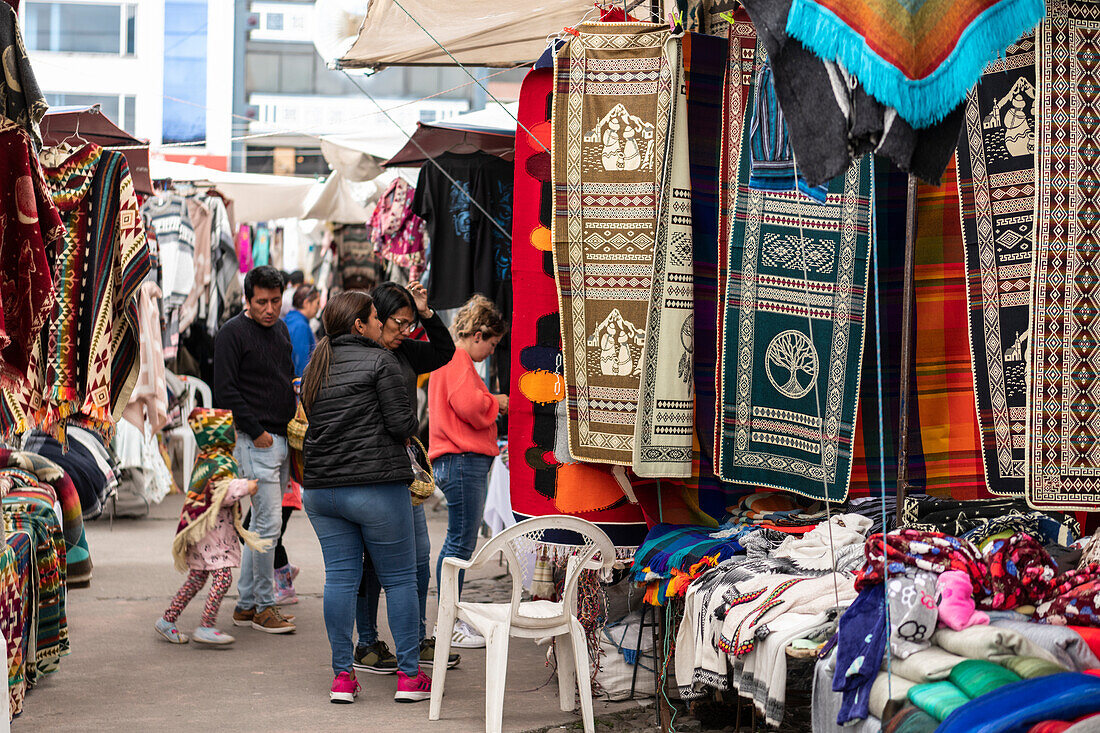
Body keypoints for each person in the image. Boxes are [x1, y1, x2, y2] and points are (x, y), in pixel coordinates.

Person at [300, 290, 432, 704]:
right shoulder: (381, 361)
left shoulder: (315, 365)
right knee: (400, 580)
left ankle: (342, 677)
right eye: (377, 318)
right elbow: (402, 424)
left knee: (340, 579)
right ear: (359, 325)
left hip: (322, 492)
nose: (382, 324)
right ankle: (409, 678)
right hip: (375, 487)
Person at [353, 281, 460, 674]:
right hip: (372, 471)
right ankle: (366, 644)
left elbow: (445, 351)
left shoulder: (406, 351)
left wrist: (427, 314)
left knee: (417, 560)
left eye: (408, 325)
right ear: (376, 319)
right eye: (398, 323)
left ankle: (413, 639)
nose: (403, 332)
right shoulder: (361, 354)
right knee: (373, 565)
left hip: (405, 472)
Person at [214, 265, 297, 634]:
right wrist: (256, 430)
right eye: (261, 301)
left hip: (279, 439)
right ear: (248, 300)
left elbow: (283, 377)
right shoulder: (231, 333)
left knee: (262, 525)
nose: (269, 308)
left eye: (275, 301)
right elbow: (225, 391)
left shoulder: (280, 330)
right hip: (255, 441)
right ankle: (265, 606)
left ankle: (246, 604)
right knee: (268, 526)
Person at [428, 294, 508, 649]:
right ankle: (449, 621)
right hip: (462, 461)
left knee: (456, 543)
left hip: (456, 462)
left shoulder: (452, 359)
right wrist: (496, 401)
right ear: (478, 334)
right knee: (459, 545)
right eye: (491, 343)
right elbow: (470, 406)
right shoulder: (459, 361)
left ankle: (448, 619)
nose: (491, 351)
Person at [155, 408, 268, 646]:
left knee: (197, 579)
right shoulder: (218, 461)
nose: (235, 434)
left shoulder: (207, 458)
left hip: (204, 532)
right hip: (211, 535)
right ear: (220, 435)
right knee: (223, 578)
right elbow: (221, 494)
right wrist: (245, 487)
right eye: (231, 430)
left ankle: (167, 620)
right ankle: (206, 626)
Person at [285, 285, 321, 377]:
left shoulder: (291, 319)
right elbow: (302, 363)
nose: (319, 307)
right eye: (317, 303)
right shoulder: (301, 327)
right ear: (306, 303)